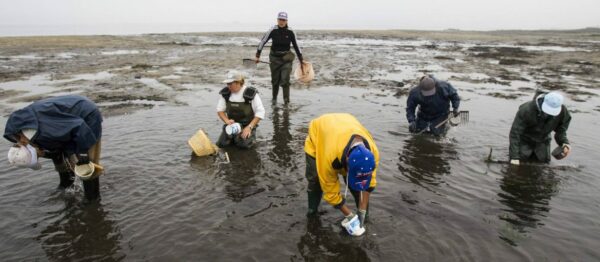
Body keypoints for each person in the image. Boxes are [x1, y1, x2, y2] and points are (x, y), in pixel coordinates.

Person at [4, 95, 103, 201]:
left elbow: (79, 126)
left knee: (86, 165)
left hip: (86, 115)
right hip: (66, 123)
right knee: (60, 153)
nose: (39, 158)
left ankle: (93, 199)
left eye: (36, 158)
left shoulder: (46, 131)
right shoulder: (23, 134)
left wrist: (83, 152)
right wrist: (68, 153)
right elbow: (57, 150)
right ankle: (66, 184)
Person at [304, 113, 379, 233]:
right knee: (316, 180)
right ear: (347, 164)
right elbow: (329, 188)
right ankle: (312, 212)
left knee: (358, 186)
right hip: (319, 136)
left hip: (344, 127)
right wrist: (349, 215)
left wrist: (362, 210)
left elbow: (369, 182)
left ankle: (365, 217)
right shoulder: (329, 157)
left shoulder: (372, 153)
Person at [509, 91, 571, 165]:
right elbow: (515, 134)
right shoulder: (526, 110)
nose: (550, 113)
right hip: (524, 140)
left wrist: (564, 143)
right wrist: (514, 157)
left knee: (544, 164)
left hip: (543, 141)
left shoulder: (563, 112)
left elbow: (561, 131)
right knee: (518, 163)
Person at [255, 11, 304, 104]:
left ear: (286, 21)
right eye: (280, 19)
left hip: (286, 58)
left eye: (283, 20)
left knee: (285, 80)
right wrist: (257, 55)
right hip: (274, 58)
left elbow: (296, 45)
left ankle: (286, 101)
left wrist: (301, 60)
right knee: (275, 80)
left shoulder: (290, 31)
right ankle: (274, 99)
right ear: (277, 20)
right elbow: (263, 41)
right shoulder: (272, 30)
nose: (281, 21)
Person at [216, 71, 265, 149]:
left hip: (247, 125)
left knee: (243, 146)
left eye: (230, 84)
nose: (228, 86)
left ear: (238, 82)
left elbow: (260, 112)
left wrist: (249, 127)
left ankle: (251, 135)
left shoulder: (250, 93)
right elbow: (220, 110)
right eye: (227, 84)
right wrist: (227, 121)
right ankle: (235, 137)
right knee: (221, 145)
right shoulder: (226, 94)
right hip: (231, 125)